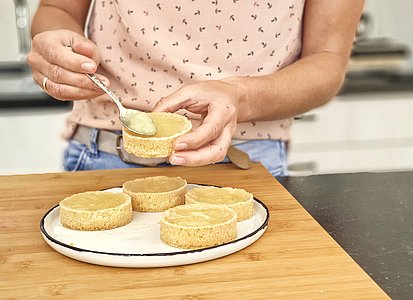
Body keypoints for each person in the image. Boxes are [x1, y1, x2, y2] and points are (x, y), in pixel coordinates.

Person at [27, 0, 364, 176]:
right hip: (103, 153)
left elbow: (327, 60)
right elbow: (57, 8)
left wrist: (240, 96)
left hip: (244, 161)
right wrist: (56, 45)